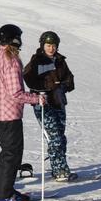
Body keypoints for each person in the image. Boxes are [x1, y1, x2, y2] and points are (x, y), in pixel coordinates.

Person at [0, 24, 44, 201]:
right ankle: (3, 193)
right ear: (14, 39)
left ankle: (2, 189)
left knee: (7, 153)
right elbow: (15, 93)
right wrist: (37, 98)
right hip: (8, 114)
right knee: (12, 154)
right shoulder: (11, 60)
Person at [24, 31, 77, 181]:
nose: (51, 48)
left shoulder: (60, 60)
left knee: (61, 136)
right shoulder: (37, 61)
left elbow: (70, 79)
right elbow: (27, 78)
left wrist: (63, 86)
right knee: (54, 137)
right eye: (48, 45)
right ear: (42, 45)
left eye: (54, 45)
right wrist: (45, 87)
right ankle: (60, 170)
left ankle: (59, 168)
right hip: (43, 103)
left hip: (58, 101)